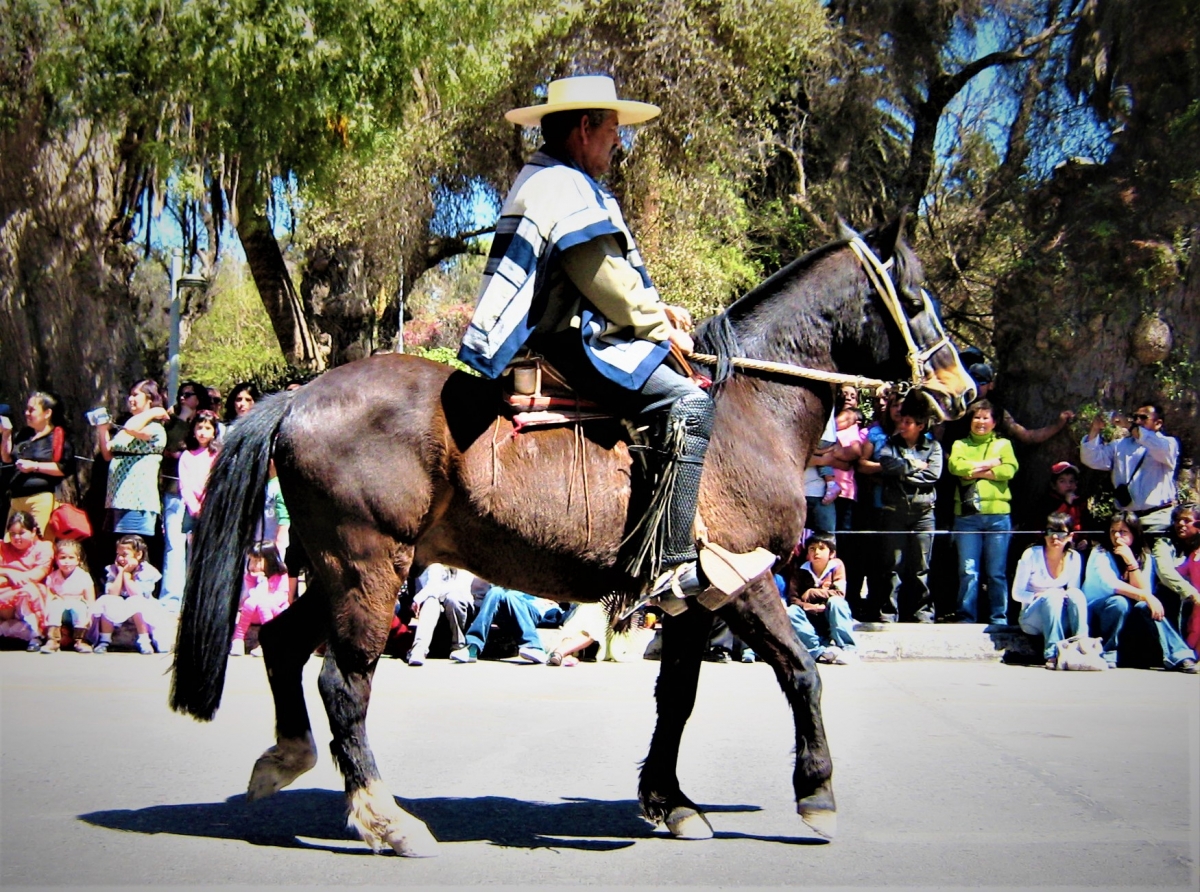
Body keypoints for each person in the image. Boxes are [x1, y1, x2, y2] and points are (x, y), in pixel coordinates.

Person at [456, 74, 769, 600]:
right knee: (690, 405)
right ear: (585, 127)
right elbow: (602, 279)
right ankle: (669, 565)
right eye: (613, 129)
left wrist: (656, 309)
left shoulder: (552, 177)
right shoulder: (562, 186)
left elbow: (602, 279)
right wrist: (658, 326)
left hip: (575, 331)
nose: (618, 141)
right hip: (570, 344)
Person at [1082, 511, 1196, 672]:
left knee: (1145, 606)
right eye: (1113, 531)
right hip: (1100, 612)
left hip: (1130, 615)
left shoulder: (1145, 556)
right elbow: (1110, 584)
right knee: (1119, 601)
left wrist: (1131, 562)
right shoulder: (1100, 552)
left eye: (1123, 531)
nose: (1117, 536)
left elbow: (1144, 591)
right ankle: (1109, 653)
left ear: (1134, 533)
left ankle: (1179, 655)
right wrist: (1147, 596)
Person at [873, 391, 942, 623]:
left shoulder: (933, 447)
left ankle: (923, 612)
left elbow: (933, 474)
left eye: (908, 422)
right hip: (895, 513)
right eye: (901, 421)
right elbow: (886, 464)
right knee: (893, 565)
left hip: (924, 513)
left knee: (921, 566)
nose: (902, 425)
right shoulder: (890, 444)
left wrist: (904, 471)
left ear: (920, 426)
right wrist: (914, 466)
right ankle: (889, 612)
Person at [949, 400, 1018, 625]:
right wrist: (990, 464)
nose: (980, 422)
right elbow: (956, 468)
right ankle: (966, 617)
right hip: (967, 517)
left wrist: (975, 471)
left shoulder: (1004, 444)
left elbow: (1009, 469)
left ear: (994, 421)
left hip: (998, 516)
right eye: (976, 417)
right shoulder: (960, 444)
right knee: (968, 570)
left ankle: (999, 617)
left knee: (996, 572)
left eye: (985, 417)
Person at [1080, 404, 1178, 534]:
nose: (1138, 421)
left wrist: (1129, 426)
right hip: (1127, 520)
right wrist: (1095, 429)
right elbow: (1091, 459)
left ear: (1158, 423)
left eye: (1143, 418)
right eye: (1135, 417)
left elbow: (1157, 447)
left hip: (1158, 518)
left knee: (1160, 554)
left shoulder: (1168, 443)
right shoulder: (1120, 445)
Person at [1012, 513, 1090, 669]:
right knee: (1053, 595)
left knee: (1077, 594)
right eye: (1050, 531)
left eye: (1061, 533)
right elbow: (1016, 593)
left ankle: (1082, 647)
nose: (1055, 537)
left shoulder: (1074, 557)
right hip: (1032, 617)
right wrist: (1037, 596)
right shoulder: (1031, 555)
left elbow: (1072, 591)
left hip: (1060, 614)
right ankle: (1052, 653)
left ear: (1070, 536)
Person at [158, 381, 209, 612]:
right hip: (174, 492)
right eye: (180, 394)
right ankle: (171, 599)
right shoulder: (172, 424)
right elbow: (167, 446)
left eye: (188, 395)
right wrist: (181, 418)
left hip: (202, 498)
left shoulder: (206, 423)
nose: (182, 398)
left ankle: (197, 599)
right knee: (174, 546)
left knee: (199, 549)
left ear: (198, 399)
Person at [97, 380, 169, 539]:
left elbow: (132, 428)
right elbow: (108, 454)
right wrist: (102, 430)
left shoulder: (155, 428)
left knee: (133, 546)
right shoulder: (127, 428)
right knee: (117, 548)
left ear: (149, 398)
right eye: (130, 395)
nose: (130, 399)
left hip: (137, 501)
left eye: (135, 395)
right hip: (116, 499)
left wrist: (153, 412)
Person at [1, 391, 75, 538]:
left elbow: (64, 468)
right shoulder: (24, 434)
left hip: (40, 499)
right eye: (26, 409)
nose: (27, 413)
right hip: (16, 499)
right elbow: (7, 458)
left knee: (37, 542)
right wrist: (6, 434)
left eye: (32, 410)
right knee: (9, 545)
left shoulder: (57, 436)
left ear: (47, 413)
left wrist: (34, 466)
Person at [785, 532, 859, 664]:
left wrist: (813, 592)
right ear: (807, 554)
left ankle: (847, 648)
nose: (816, 552)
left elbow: (839, 593)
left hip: (829, 615)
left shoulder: (836, 566)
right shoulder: (801, 570)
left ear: (831, 553)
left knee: (837, 603)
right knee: (791, 611)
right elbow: (794, 598)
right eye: (812, 549)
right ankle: (817, 650)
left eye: (821, 548)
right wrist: (809, 606)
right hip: (810, 617)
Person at [450, 585, 568, 664]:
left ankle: (534, 646)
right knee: (495, 591)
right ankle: (473, 647)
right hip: (508, 606)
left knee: (510, 595)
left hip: (538, 607)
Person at [92, 534, 168, 654]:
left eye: (124, 555)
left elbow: (136, 594)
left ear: (138, 555)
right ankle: (104, 640)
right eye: (118, 555)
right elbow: (112, 593)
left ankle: (144, 641)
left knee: (136, 601)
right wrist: (121, 573)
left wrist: (127, 576)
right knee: (106, 600)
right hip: (121, 604)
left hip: (143, 606)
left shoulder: (147, 571)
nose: (120, 559)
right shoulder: (113, 569)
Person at [405, 563, 478, 666]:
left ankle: (458, 646)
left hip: (461, 604)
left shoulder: (464, 561)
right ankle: (419, 649)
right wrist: (429, 594)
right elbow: (431, 585)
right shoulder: (433, 565)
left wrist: (419, 598)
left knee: (453, 599)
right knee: (431, 601)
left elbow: (459, 588)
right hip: (435, 603)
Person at [0, 511, 52, 650]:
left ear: (33, 531)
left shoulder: (44, 547)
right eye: (12, 534)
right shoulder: (2, 548)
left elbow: (37, 574)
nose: (16, 538)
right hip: (4, 593)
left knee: (27, 590)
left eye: (21, 533)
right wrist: (8, 572)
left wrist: (13, 578)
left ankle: (35, 635)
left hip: (28, 593)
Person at [1152, 503, 1200, 652]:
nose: (1180, 524)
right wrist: (1192, 593)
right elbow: (1165, 572)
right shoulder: (1164, 543)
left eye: (1187, 520)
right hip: (1172, 596)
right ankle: (1182, 653)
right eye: (1177, 520)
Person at [230, 542, 290, 657]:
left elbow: (281, 597)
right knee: (249, 602)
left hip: (276, 612)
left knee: (264, 604)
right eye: (251, 560)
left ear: (270, 559)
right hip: (255, 611)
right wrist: (260, 581)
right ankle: (238, 640)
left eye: (257, 561)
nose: (252, 565)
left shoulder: (281, 576)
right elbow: (252, 594)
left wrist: (265, 586)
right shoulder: (250, 577)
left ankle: (268, 642)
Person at [39, 538, 96, 653]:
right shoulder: (52, 577)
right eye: (62, 557)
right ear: (56, 559)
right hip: (61, 609)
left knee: (80, 607)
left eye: (71, 558)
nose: (66, 561)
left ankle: (80, 640)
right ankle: (53, 640)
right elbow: (49, 597)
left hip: (77, 607)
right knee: (55, 605)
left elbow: (90, 600)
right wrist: (45, 613)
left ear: (78, 560)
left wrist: (90, 617)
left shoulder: (83, 576)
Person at [178, 410, 219, 539]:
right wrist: (195, 508)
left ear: (214, 432)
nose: (202, 432)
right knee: (194, 543)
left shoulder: (218, 455)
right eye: (199, 427)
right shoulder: (187, 456)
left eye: (207, 428)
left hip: (213, 507)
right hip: (193, 509)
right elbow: (185, 486)